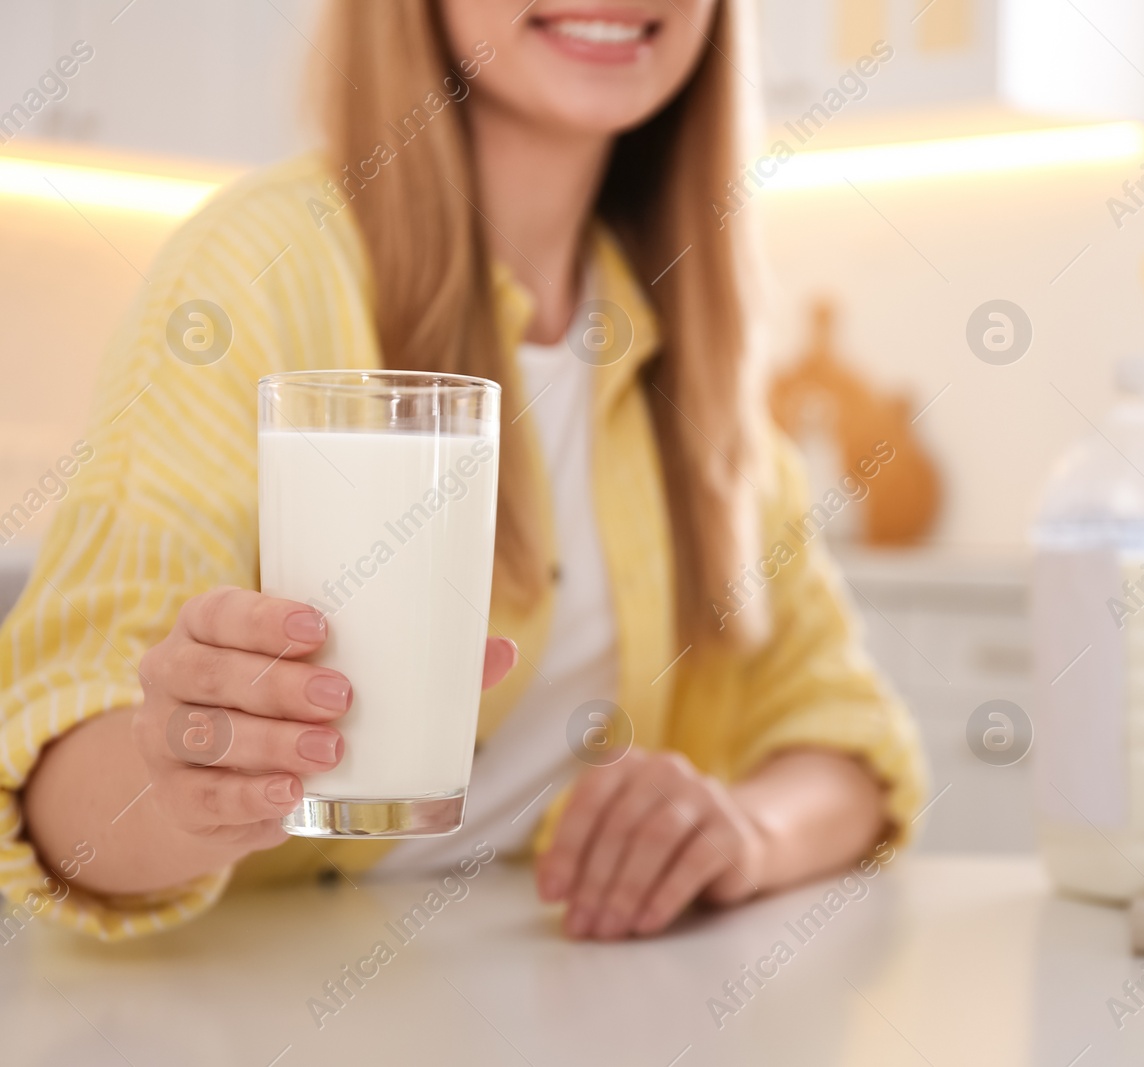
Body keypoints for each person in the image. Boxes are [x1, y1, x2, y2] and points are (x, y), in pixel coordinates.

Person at [0, 0, 923, 943]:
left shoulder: (681, 332)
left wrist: (745, 831)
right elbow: (55, 796)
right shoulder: (256, 270)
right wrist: (180, 779)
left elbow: (844, 731)